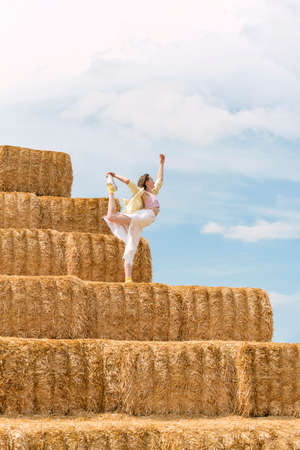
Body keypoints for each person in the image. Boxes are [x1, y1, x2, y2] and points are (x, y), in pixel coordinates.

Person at [104, 154, 165, 282]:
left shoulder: (153, 192)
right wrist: (115, 175)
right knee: (111, 217)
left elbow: (160, 179)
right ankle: (111, 190)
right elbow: (128, 182)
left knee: (130, 245)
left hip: (143, 219)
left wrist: (161, 163)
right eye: (151, 180)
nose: (154, 182)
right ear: (147, 182)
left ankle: (128, 278)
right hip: (143, 216)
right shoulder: (142, 193)